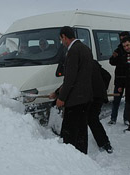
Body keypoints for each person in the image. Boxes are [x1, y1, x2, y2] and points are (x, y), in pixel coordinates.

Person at [51, 26, 93, 154]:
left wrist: (61, 98)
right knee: (81, 130)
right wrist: (57, 92)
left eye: (61, 39)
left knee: (69, 132)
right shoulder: (85, 48)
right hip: (85, 98)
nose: (61, 42)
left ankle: (70, 158)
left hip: (75, 100)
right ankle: (82, 156)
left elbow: (70, 78)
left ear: (64, 36)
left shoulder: (73, 51)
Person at [87, 60, 113, 153]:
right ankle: (104, 143)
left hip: (93, 96)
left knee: (91, 119)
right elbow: (107, 76)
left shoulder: (81, 64)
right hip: (98, 96)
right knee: (92, 119)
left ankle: (104, 143)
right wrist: (102, 89)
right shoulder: (93, 62)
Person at [108, 31, 130, 125]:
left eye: (124, 38)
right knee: (116, 99)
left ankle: (126, 119)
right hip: (119, 79)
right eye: (121, 38)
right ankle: (113, 118)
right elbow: (112, 62)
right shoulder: (118, 49)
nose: (122, 40)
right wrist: (114, 57)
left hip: (129, 79)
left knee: (128, 101)